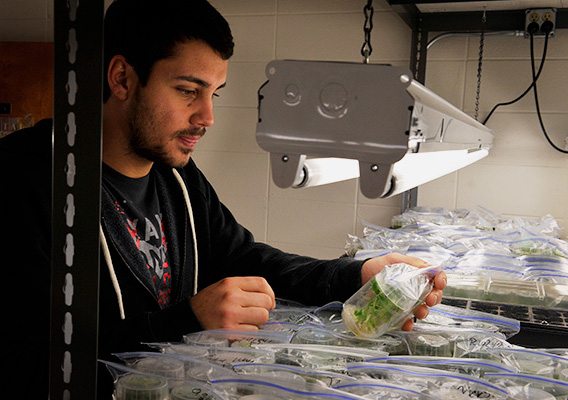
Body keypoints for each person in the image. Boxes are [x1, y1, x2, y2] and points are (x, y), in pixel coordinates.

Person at [1, 0, 446, 398]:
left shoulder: (175, 176)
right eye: (188, 91)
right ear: (122, 78)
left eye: (214, 94)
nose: (207, 117)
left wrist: (355, 276)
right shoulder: (26, 180)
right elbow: (21, 364)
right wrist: (186, 321)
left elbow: (244, 257)